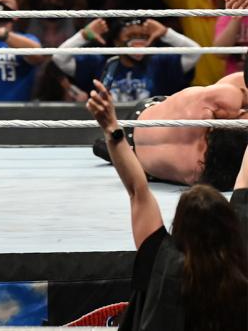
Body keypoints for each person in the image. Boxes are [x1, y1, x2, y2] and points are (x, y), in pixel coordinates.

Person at [84, 79, 248, 331]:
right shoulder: (241, 257)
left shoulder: (161, 261)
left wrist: (111, 128)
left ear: (179, 227)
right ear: (230, 226)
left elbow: (137, 191)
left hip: (138, 135)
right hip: (148, 156)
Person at [91, 71, 248, 189]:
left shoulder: (222, 98)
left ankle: (107, 145)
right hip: (141, 164)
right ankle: (107, 147)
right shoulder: (204, 173)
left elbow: (240, 79)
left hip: (142, 119)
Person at [54, 17, 198, 102]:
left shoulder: (159, 63)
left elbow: (195, 53)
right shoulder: (101, 64)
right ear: (117, 41)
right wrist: (84, 35)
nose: (138, 42)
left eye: (143, 37)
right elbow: (59, 58)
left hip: (149, 128)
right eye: (130, 36)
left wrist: (166, 33)